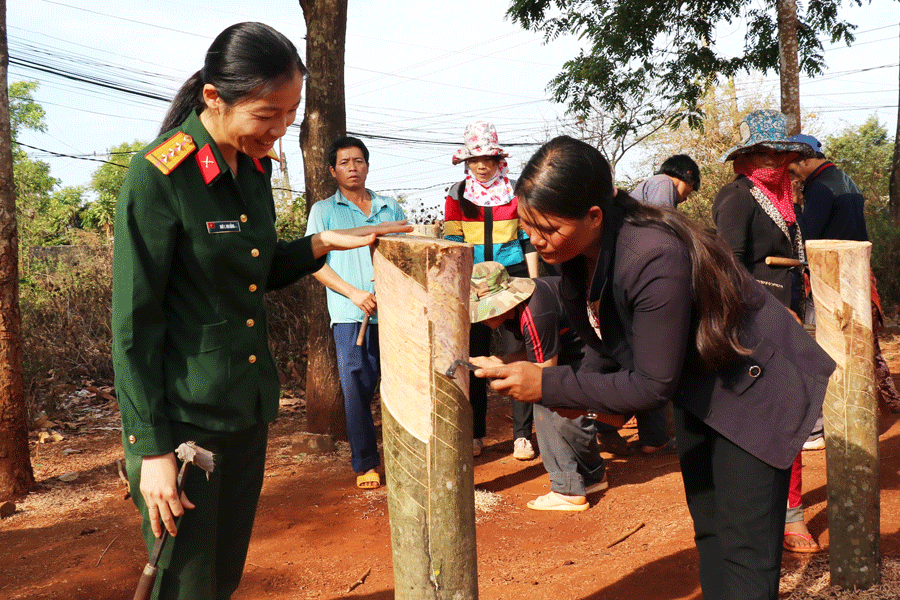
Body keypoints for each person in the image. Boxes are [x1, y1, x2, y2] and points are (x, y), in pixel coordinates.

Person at [112, 23, 410, 600]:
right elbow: (134, 324)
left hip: (244, 410)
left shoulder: (252, 172)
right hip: (183, 423)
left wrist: (325, 242)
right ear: (214, 99)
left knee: (222, 579)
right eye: (266, 116)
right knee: (185, 584)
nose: (277, 134)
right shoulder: (160, 176)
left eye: (289, 117)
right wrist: (150, 450)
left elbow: (260, 267)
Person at [474, 135, 835, 600]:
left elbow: (651, 385)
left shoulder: (651, 253)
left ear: (594, 216)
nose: (537, 241)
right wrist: (574, 392)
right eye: (529, 228)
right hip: (702, 383)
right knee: (709, 529)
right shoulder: (580, 256)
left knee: (746, 547)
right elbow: (606, 339)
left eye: (548, 228)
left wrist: (548, 382)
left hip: (757, 386)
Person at [712, 110, 821, 554]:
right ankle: (763, 516)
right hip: (756, 324)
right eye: (764, 152)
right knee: (760, 419)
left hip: (789, 317)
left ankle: (789, 512)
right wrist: (772, 313)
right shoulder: (737, 197)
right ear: (746, 156)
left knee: (792, 416)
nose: (774, 161)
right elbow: (730, 269)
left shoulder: (784, 201)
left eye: (781, 153)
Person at [306, 135, 407, 490]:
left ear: (367, 165)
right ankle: (366, 463)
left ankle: (405, 457)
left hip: (393, 316)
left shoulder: (389, 207)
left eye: (359, 161)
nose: (353, 167)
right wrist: (354, 293)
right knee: (357, 392)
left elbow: (406, 255)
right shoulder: (324, 211)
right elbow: (313, 264)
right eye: (345, 163)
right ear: (333, 170)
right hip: (351, 318)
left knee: (399, 388)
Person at [468, 262, 608, 511]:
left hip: (594, 349)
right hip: (576, 347)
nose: (484, 317)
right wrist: (497, 361)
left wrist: (500, 372)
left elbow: (543, 374)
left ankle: (567, 489)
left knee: (545, 398)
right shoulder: (518, 311)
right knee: (558, 400)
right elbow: (534, 350)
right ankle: (593, 477)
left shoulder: (536, 312)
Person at [444, 120, 539, 459]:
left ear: (500, 161)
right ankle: (475, 433)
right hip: (472, 285)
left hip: (512, 280)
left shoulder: (516, 192)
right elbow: (452, 242)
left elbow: (528, 241)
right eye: (475, 159)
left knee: (520, 353)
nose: (482, 166)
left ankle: (522, 436)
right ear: (467, 162)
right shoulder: (456, 194)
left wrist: (534, 285)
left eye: (488, 159)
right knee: (474, 359)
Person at [789, 133, 900, 423]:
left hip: (831, 275)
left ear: (803, 159)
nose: (792, 174)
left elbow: (809, 236)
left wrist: (796, 208)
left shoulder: (820, 188)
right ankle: (878, 400)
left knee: (822, 343)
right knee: (861, 341)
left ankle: (829, 416)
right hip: (857, 271)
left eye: (791, 166)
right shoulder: (843, 179)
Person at [630, 154, 701, 208]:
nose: (685, 199)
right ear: (689, 173)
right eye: (688, 193)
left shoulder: (658, 181)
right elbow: (661, 222)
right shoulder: (664, 182)